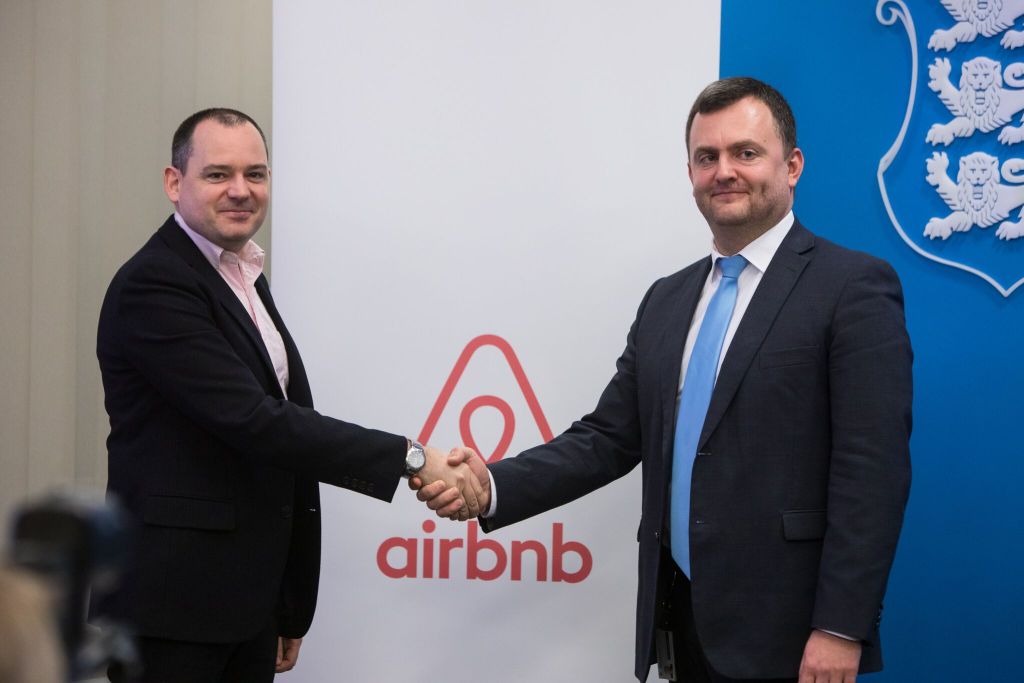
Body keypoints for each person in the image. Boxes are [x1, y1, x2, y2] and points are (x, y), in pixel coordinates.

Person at [418, 77, 912, 682]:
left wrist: (841, 626)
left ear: (792, 166)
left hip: (791, 635)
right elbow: (606, 438)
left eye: (745, 152)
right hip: (680, 623)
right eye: (707, 157)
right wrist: (491, 484)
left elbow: (872, 473)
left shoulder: (851, 287)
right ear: (690, 173)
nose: (724, 171)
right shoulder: (666, 300)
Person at [95, 108, 488, 683]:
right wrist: (411, 457)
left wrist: (287, 602)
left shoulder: (243, 277)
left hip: (247, 605)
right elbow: (258, 422)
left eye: (255, 174)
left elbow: (282, 441)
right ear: (174, 183)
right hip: (174, 611)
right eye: (218, 174)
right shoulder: (154, 284)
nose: (241, 190)